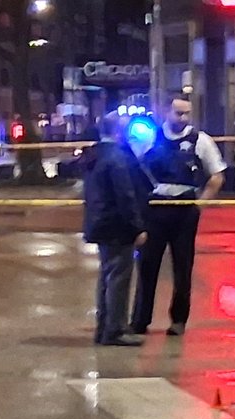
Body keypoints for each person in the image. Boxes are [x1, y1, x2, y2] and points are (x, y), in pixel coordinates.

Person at [129, 94, 227, 337]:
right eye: (178, 113)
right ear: (167, 112)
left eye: (186, 113)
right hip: (155, 209)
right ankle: (140, 321)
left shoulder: (200, 140)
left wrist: (200, 205)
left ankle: (178, 321)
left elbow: (217, 175)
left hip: (185, 211)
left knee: (183, 268)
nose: (182, 118)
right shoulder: (151, 137)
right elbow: (132, 167)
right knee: (147, 266)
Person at [82, 113, 148, 347]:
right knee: (119, 278)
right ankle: (116, 330)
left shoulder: (95, 155)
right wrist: (137, 226)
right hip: (117, 226)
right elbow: (125, 195)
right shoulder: (117, 158)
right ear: (118, 132)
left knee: (107, 277)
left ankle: (105, 327)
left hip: (100, 223)